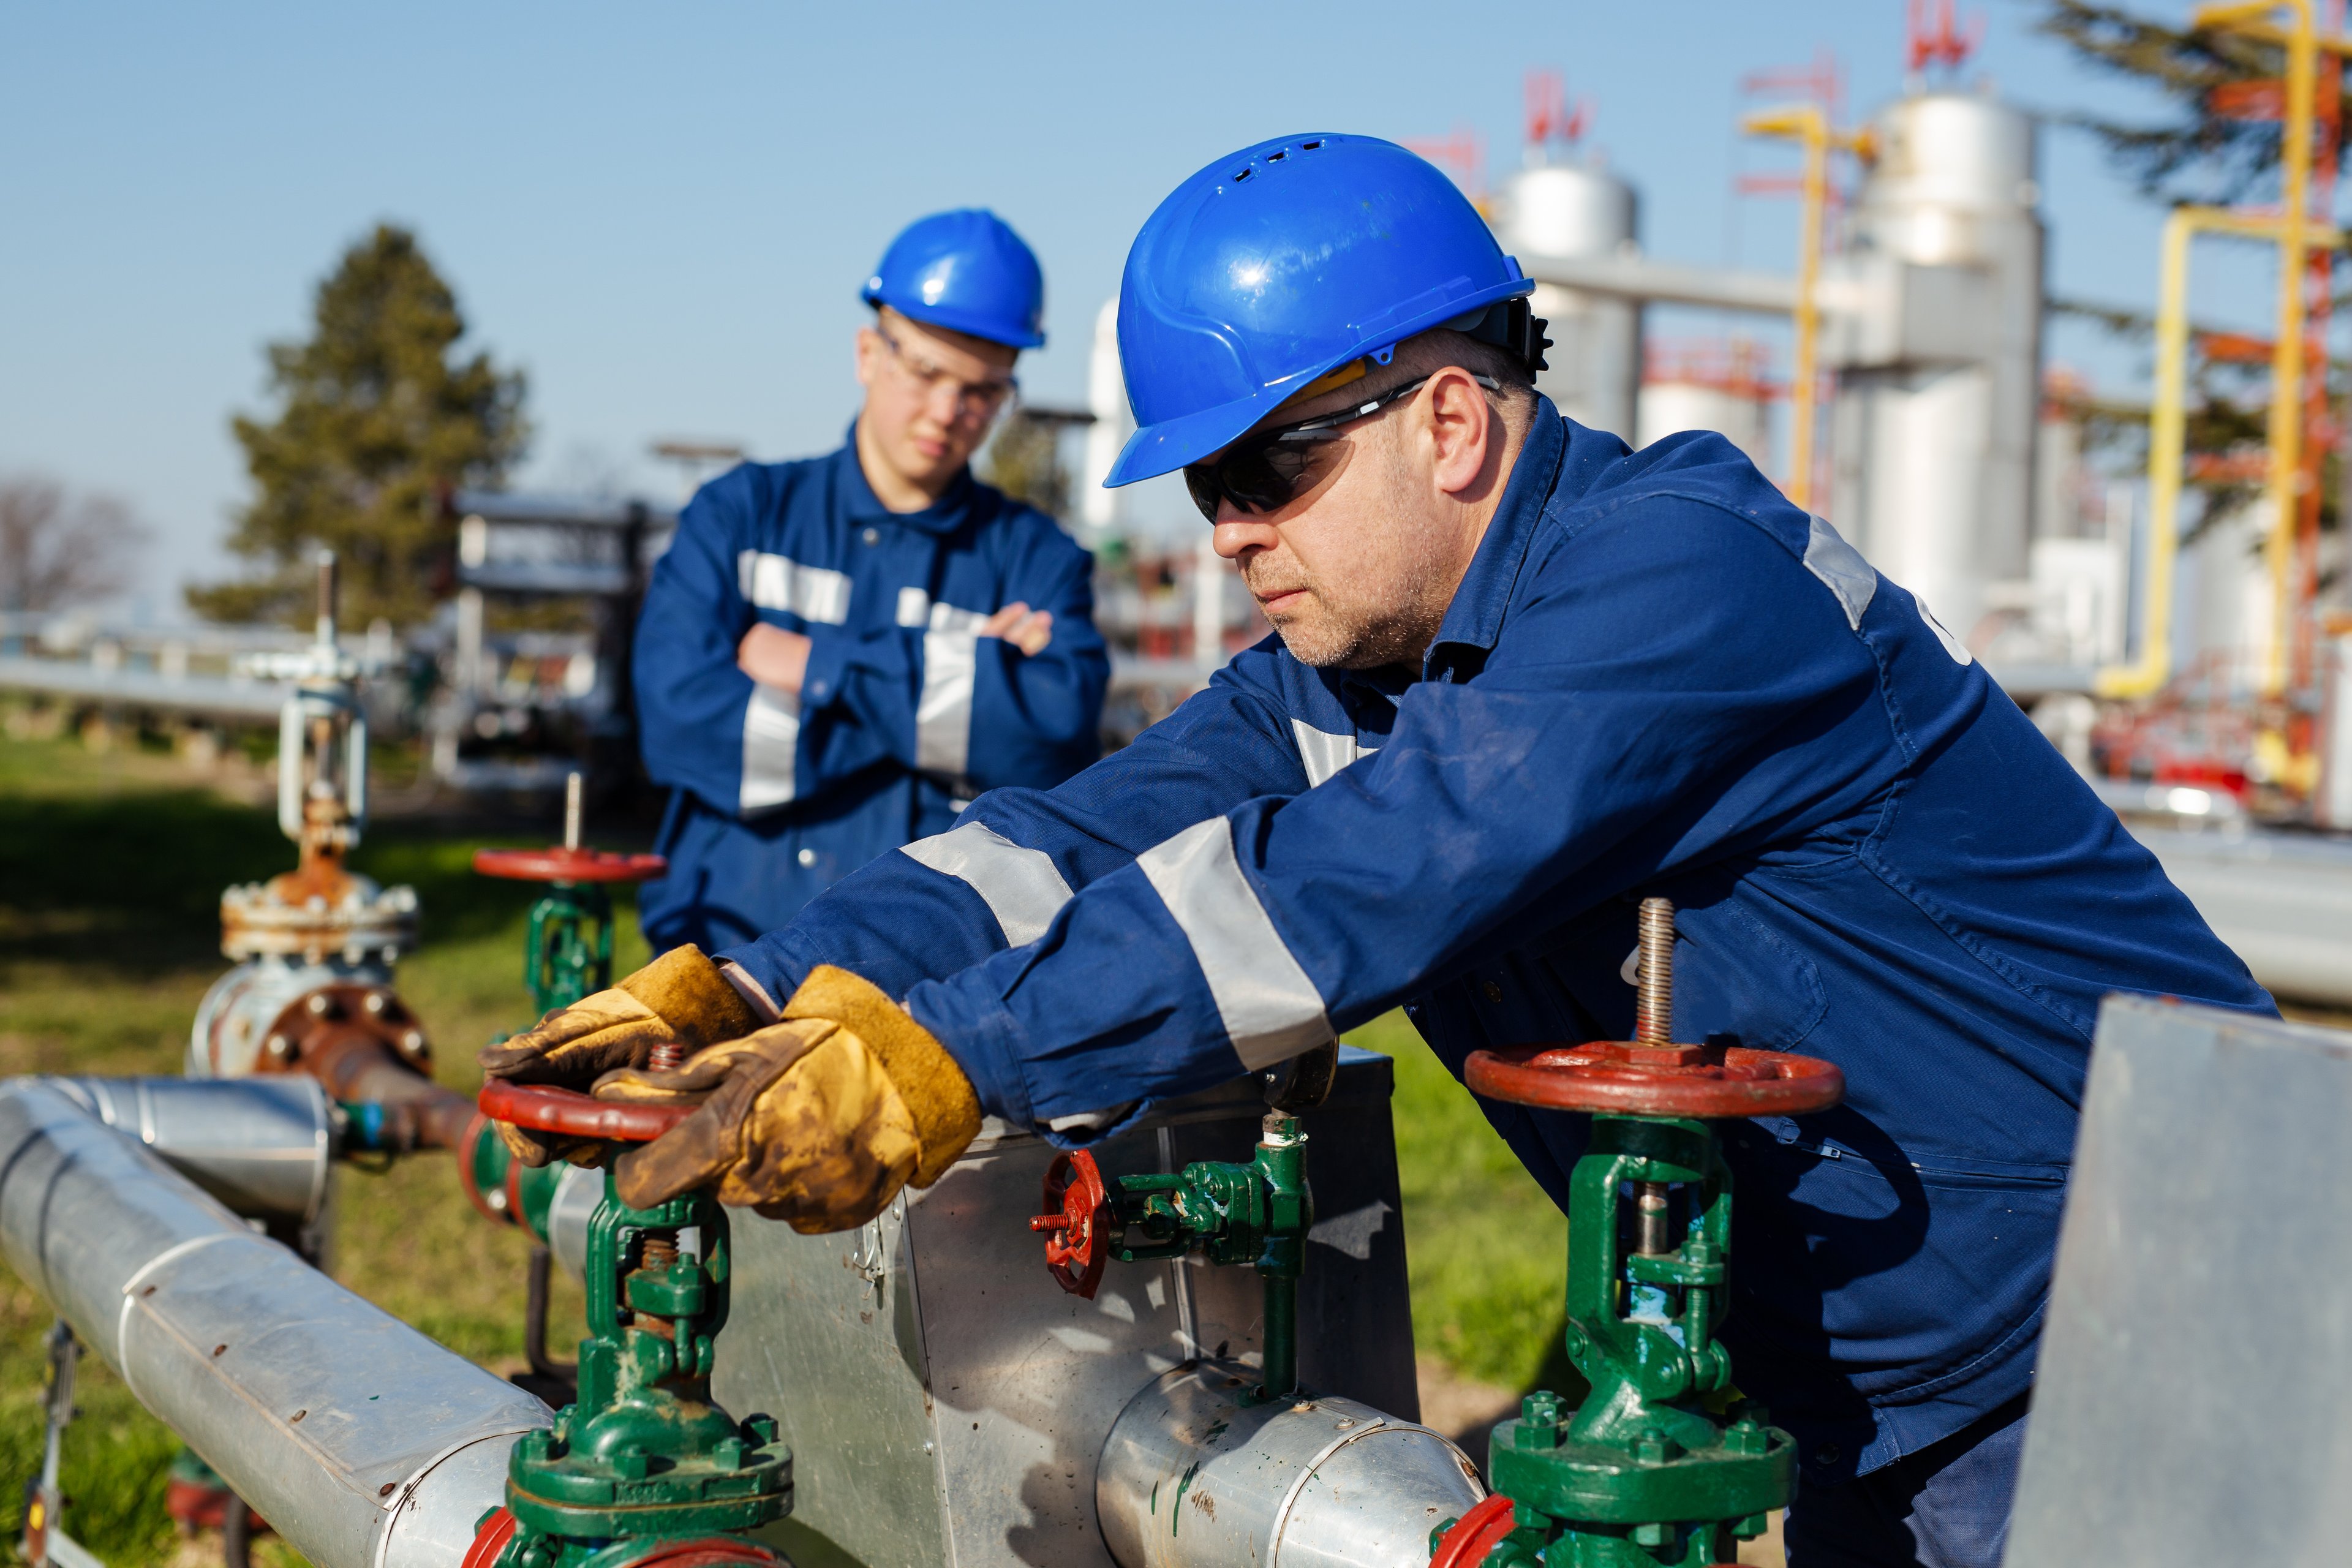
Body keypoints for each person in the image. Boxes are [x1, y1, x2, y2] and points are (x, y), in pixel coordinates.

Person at [488, 137, 2273, 1567]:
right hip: (1870, 1390)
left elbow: (1358, 878)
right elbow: (1068, 836)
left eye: (1264, 470)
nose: (1229, 533)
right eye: (1204, 491)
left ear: (1448, 417)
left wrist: (949, 1056)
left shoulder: (1676, 574)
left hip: (2145, 1333)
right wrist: (764, 980)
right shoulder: (1355, 668)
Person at [631, 209, 1108, 952]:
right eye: (926, 372)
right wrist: (952, 698)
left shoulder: (1038, 560)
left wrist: (815, 668)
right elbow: (679, 726)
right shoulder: (740, 515)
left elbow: (1047, 748)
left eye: (983, 390)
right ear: (867, 353)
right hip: (717, 952)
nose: (948, 412)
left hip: (928, 979)